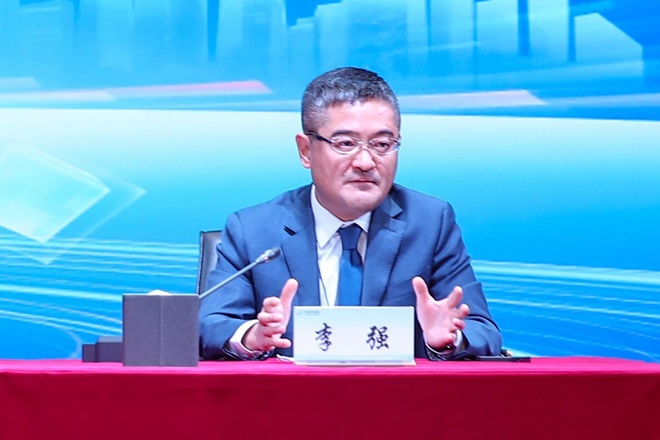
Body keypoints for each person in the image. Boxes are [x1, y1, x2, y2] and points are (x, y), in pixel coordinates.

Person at [199, 67, 502, 360]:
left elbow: (482, 331)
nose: (365, 162)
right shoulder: (254, 230)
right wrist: (252, 337)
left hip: (395, 394)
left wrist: (449, 340)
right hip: (291, 394)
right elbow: (209, 325)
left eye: (382, 144)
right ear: (306, 150)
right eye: (345, 143)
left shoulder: (430, 222)